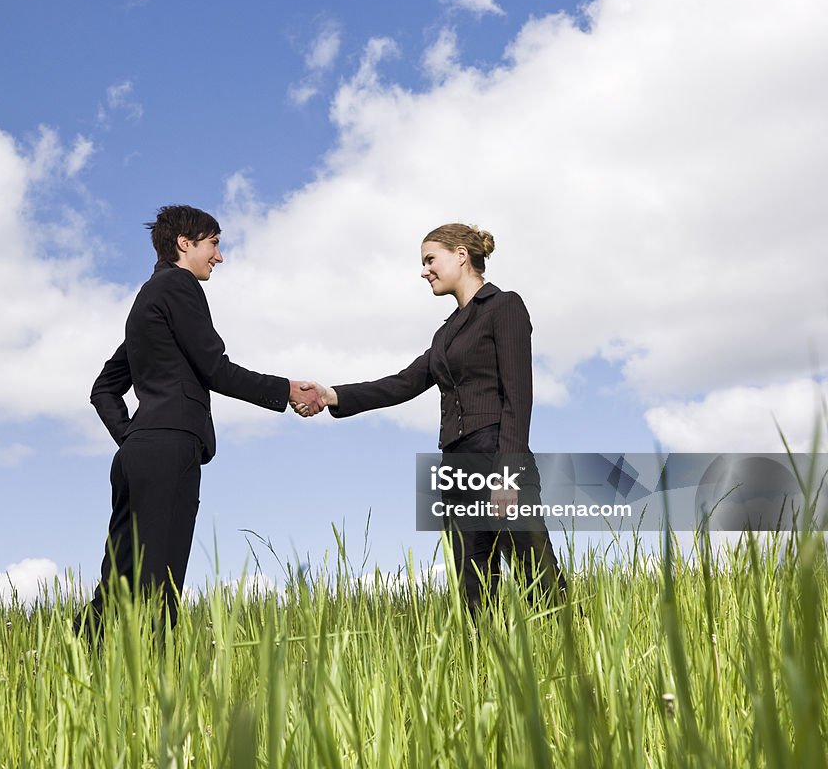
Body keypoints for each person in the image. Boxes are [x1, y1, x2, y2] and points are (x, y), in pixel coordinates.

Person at [75, 204, 323, 638]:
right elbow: (215, 368)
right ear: (184, 244)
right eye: (214, 244)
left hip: (138, 455)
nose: (219, 256)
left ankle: (71, 659)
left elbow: (103, 388)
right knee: (161, 582)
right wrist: (285, 389)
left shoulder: (147, 300)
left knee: (120, 579)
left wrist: (132, 436)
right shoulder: (179, 286)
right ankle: (161, 687)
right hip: (169, 449)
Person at [297, 223, 566, 613]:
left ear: (461, 255)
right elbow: (403, 383)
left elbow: (518, 396)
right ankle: (483, 671)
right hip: (455, 464)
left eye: (430, 259)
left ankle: (575, 661)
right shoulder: (445, 336)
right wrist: (332, 394)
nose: (424, 270)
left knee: (536, 577)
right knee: (473, 591)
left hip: (496, 453)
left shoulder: (504, 306)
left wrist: (508, 473)